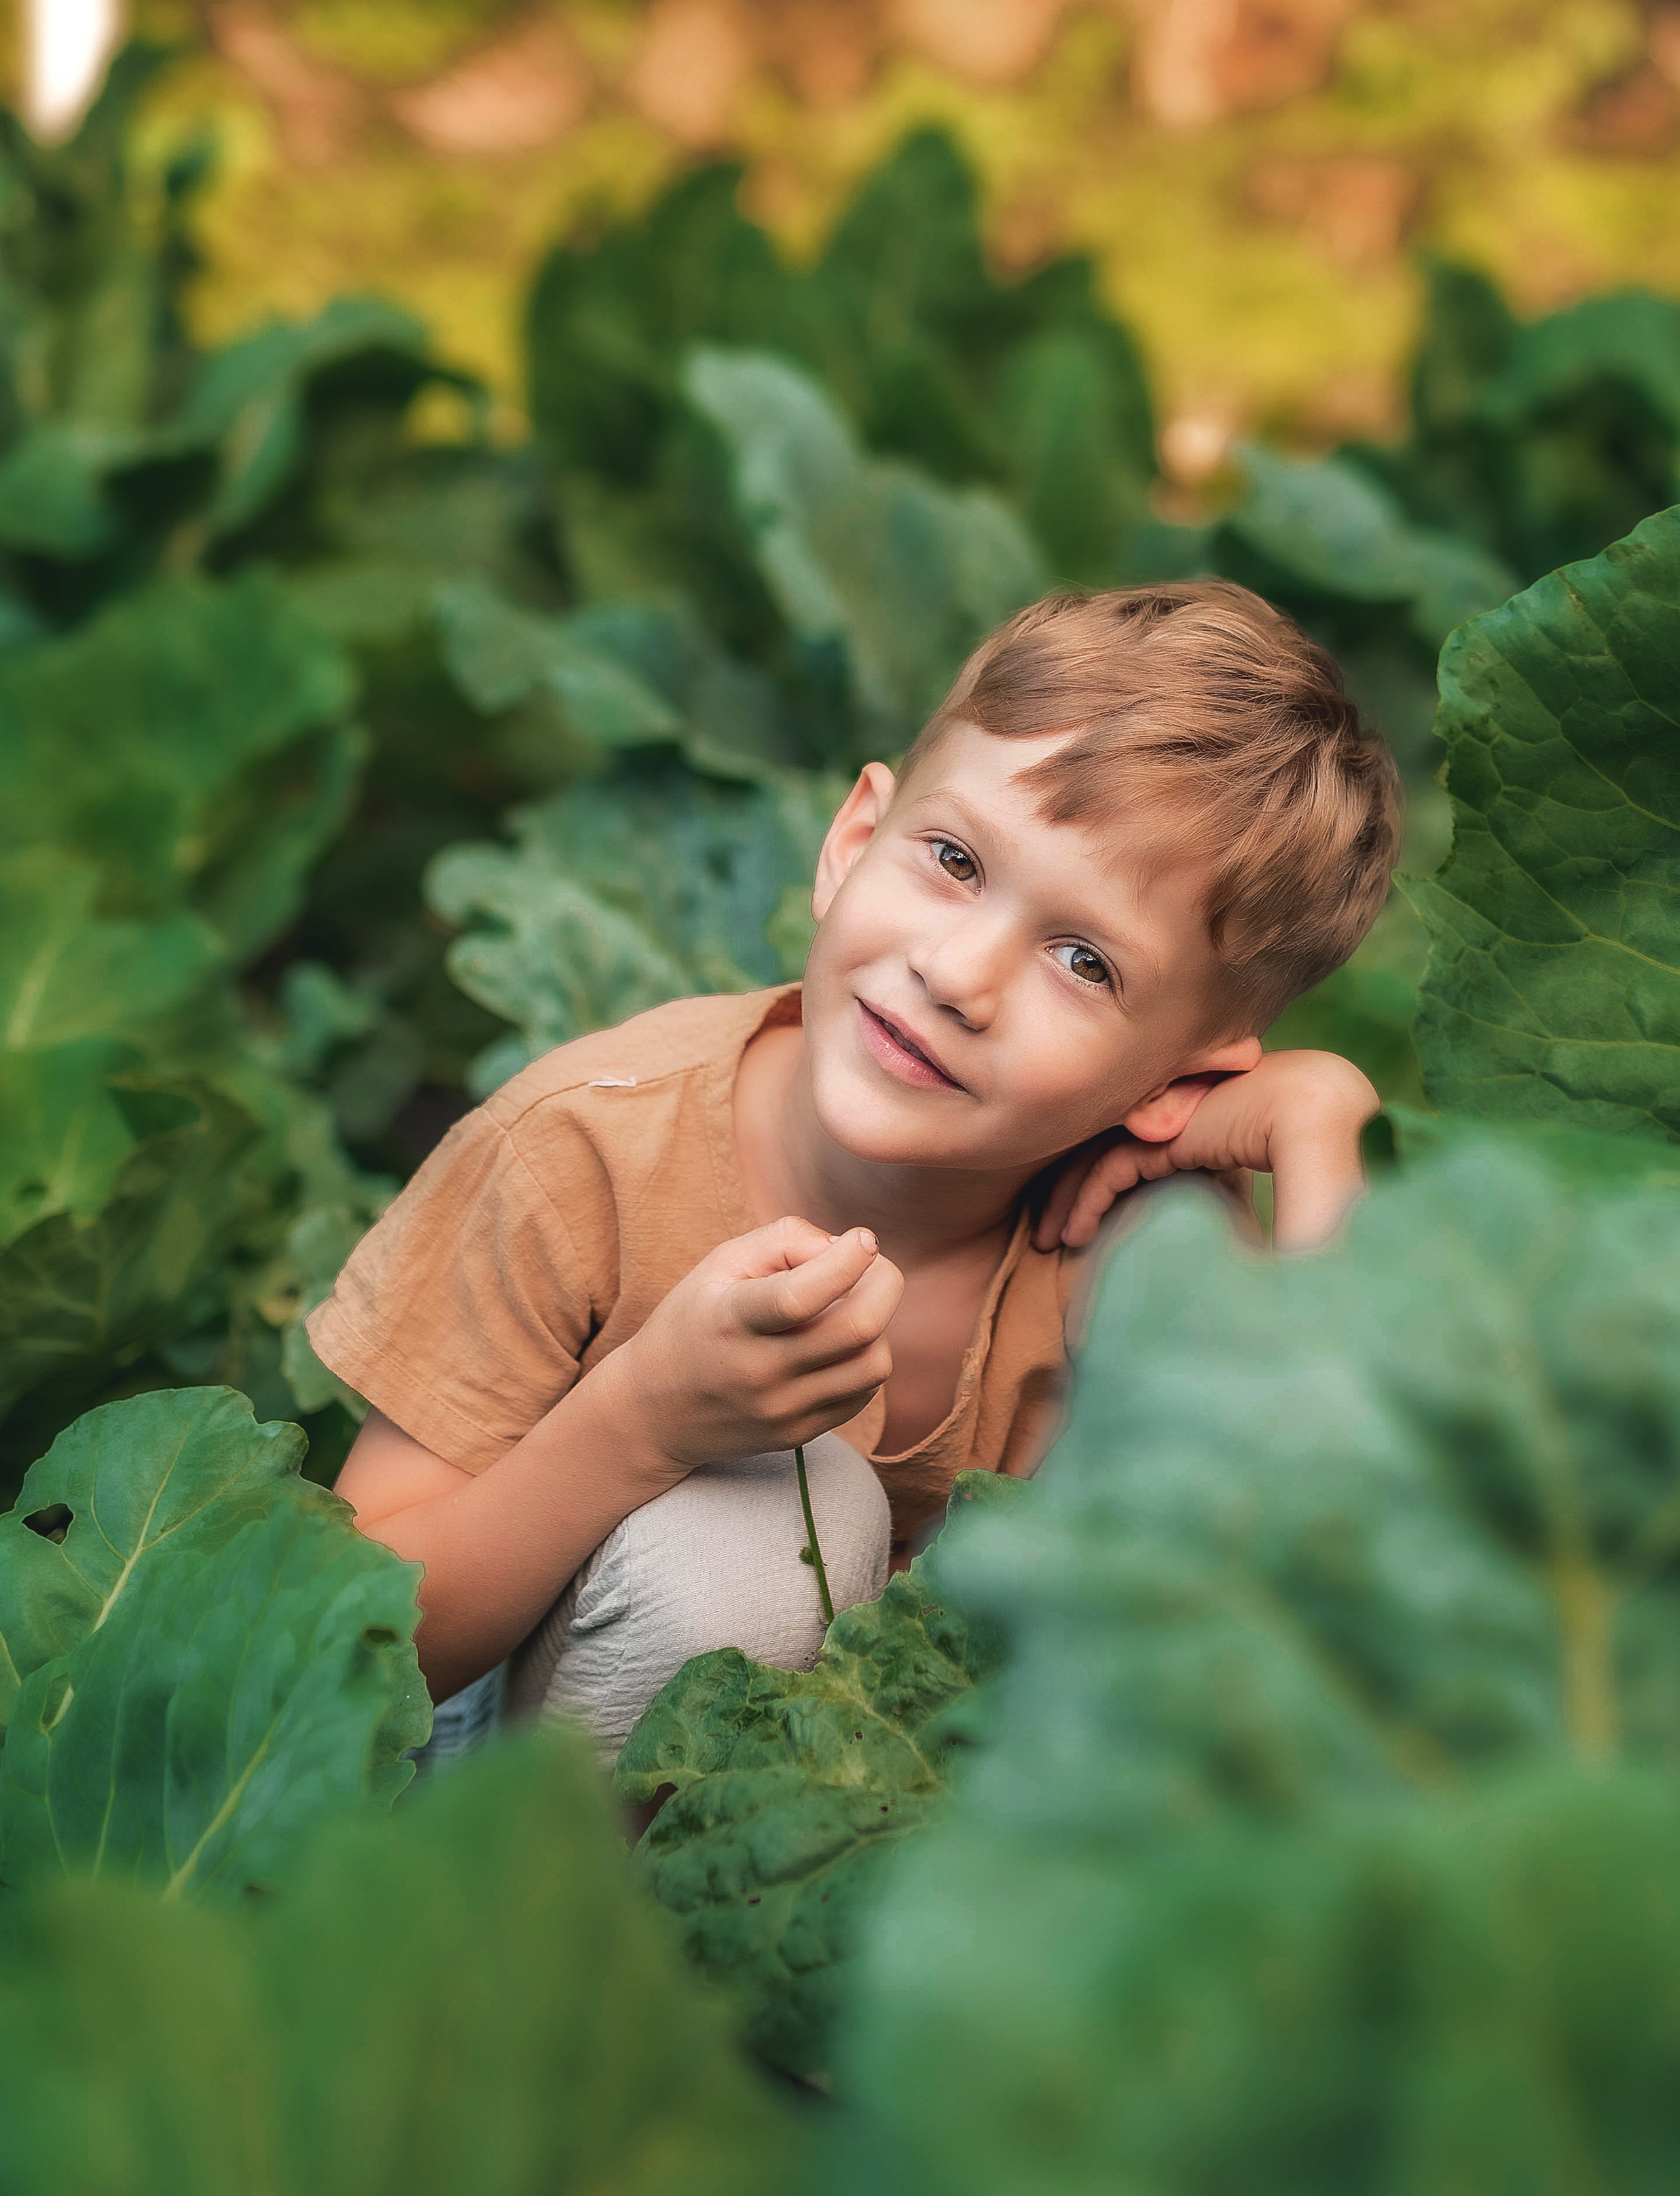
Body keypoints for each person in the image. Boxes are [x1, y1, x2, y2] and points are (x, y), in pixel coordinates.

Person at [311, 582, 1401, 1753]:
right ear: (850, 842)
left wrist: (1320, 1133)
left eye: (1085, 961)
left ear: (1182, 1067)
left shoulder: (1134, 1231)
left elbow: (1318, 1569)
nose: (958, 974)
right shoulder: (583, 1149)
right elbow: (336, 1643)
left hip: (925, 1843)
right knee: (764, 1526)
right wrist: (640, 1423)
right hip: (507, 1778)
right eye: (954, 859)